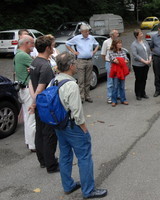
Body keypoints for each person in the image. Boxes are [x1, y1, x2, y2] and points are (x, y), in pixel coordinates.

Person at [54, 52, 108, 199]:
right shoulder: (71, 84)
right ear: (71, 66)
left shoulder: (54, 81)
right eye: (75, 63)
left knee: (65, 156)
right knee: (84, 157)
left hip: (59, 125)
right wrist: (84, 127)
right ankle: (88, 190)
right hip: (72, 126)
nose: (77, 65)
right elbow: (77, 111)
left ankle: (68, 185)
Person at [28, 34, 59, 173]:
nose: (53, 48)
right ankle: (51, 164)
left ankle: (42, 160)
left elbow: (30, 83)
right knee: (49, 135)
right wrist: (34, 103)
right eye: (52, 46)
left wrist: (33, 100)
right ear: (47, 48)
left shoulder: (34, 62)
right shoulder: (45, 66)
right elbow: (40, 88)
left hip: (39, 103)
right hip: (45, 105)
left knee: (40, 133)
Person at [66, 24, 99, 103]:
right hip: (80, 61)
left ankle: (87, 96)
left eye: (88, 31)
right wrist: (73, 52)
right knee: (81, 80)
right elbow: (67, 44)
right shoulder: (77, 38)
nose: (87, 33)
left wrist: (94, 51)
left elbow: (97, 44)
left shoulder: (91, 38)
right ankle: (81, 97)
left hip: (89, 60)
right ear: (81, 32)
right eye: (85, 32)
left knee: (88, 79)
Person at [14, 35, 36, 152]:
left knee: (28, 117)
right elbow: (37, 66)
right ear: (26, 43)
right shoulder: (23, 55)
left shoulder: (18, 54)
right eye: (32, 43)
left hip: (23, 88)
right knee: (32, 117)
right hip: (28, 89)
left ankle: (29, 142)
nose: (33, 45)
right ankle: (33, 144)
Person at [131, 29, 152, 100]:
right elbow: (135, 55)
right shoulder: (134, 44)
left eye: (142, 33)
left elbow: (149, 51)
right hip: (138, 65)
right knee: (139, 79)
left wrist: (149, 59)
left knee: (144, 79)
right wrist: (144, 61)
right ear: (137, 35)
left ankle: (143, 93)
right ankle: (138, 94)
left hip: (146, 64)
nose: (142, 34)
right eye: (140, 33)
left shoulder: (145, 42)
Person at [108, 39, 130, 107]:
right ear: (115, 44)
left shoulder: (122, 51)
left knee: (122, 86)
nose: (120, 44)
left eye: (121, 43)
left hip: (122, 71)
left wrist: (120, 60)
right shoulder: (111, 51)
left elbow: (127, 60)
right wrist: (122, 61)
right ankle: (114, 100)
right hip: (115, 71)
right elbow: (114, 60)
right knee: (115, 86)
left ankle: (123, 99)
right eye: (118, 43)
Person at [101, 29, 119, 104]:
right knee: (110, 81)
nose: (118, 34)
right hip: (109, 63)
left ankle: (116, 95)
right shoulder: (106, 42)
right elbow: (103, 54)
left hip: (117, 63)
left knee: (117, 80)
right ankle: (109, 97)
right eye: (116, 33)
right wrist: (107, 61)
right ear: (112, 35)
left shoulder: (118, 42)